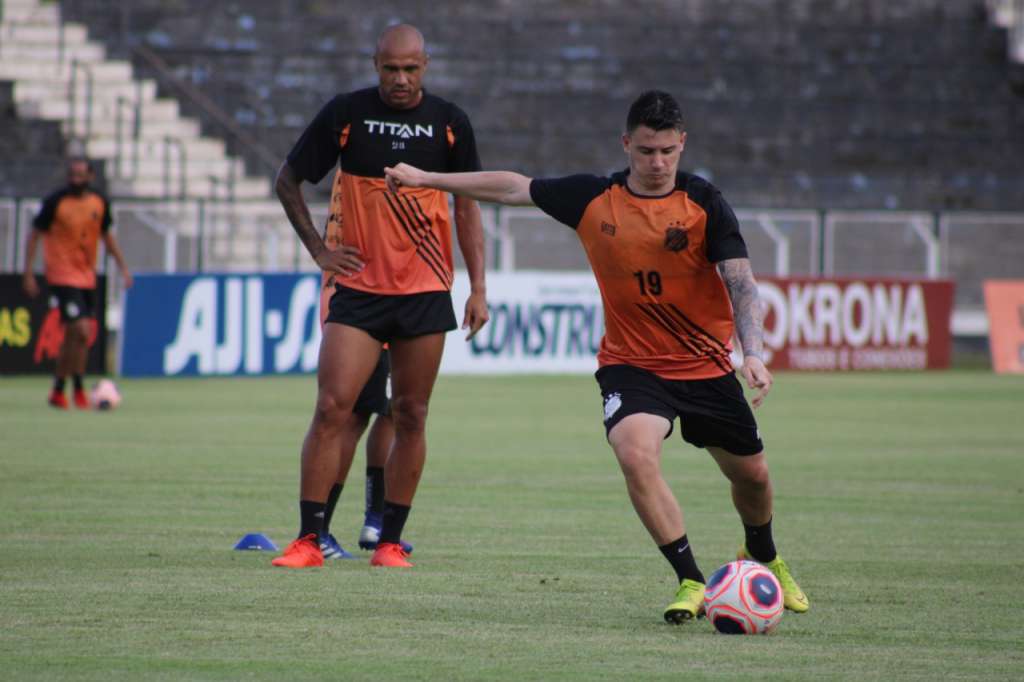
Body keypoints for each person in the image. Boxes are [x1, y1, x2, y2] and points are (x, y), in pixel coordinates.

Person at [383, 90, 809, 621]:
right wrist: (429, 180)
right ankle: (692, 580)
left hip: (704, 367)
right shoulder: (594, 198)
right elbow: (515, 186)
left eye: (668, 152)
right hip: (632, 365)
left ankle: (764, 554)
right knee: (634, 453)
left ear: (683, 146)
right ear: (626, 144)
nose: (658, 163)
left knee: (754, 478)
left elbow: (740, 283)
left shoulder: (704, 203)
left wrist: (755, 353)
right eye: (647, 151)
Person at [271, 23, 488, 569]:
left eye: (411, 69)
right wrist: (320, 251)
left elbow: (468, 207)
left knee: (411, 413)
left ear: (426, 64)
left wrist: (478, 288)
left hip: (424, 291)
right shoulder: (347, 113)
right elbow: (287, 179)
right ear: (376, 64)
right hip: (360, 291)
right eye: (391, 68)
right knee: (331, 408)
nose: (400, 79)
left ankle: (389, 542)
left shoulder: (450, 123)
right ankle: (307, 539)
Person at [314, 170, 412, 560]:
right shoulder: (377, 165)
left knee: (389, 410)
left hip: (375, 293)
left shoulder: (364, 156)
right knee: (351, 418)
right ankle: (318, 529)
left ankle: (374, 521)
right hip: (367, 297)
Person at [22, 157, 133, 409]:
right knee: (81, 329)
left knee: (79, 337)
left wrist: (123, 267)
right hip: (61, 274)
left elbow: (107, 237)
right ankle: (78, 389)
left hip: (87, 276)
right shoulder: (55, 202)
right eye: (72, 174)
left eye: (81, 175)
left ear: (90, 177)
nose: (75, 180)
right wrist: (28, 272)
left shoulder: (99, 202)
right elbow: (35, 235)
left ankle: (61, 389)